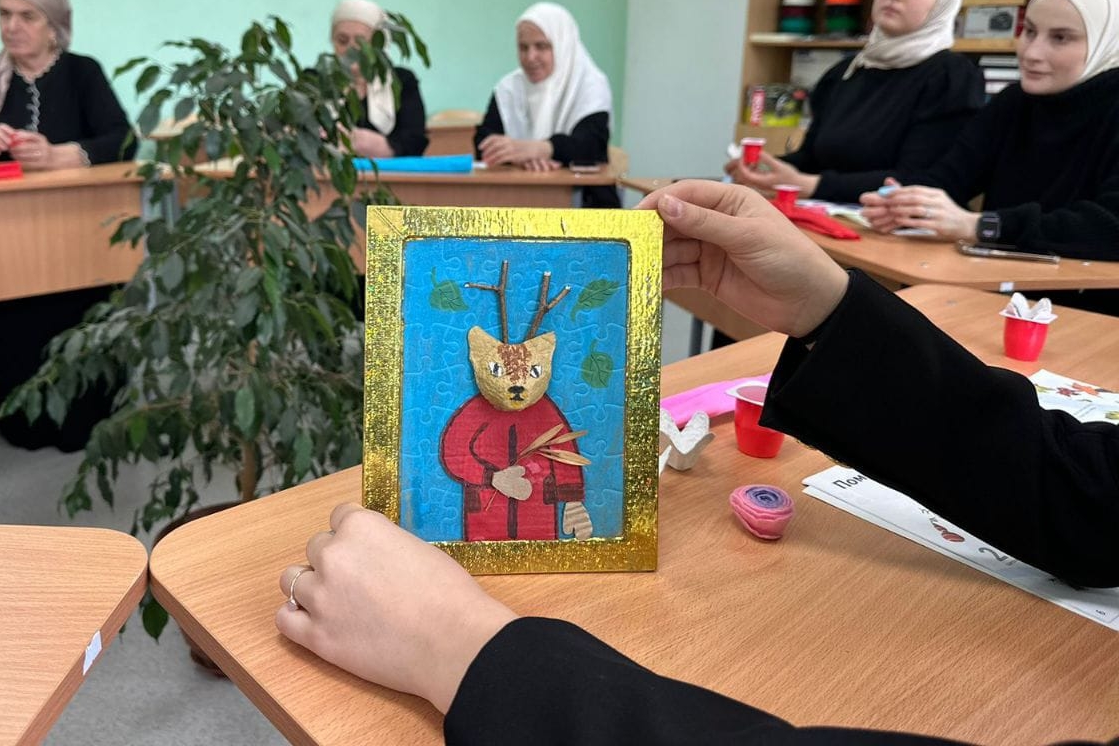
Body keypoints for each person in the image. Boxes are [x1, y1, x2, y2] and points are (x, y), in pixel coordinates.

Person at [274, 180, 1118, 745]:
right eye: (505, 370)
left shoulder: (552, 409)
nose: (519, 383)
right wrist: (829, 311)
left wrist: (471, 652)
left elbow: (570, 456)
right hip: (482, 521)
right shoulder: (470, 408)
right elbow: (1083, 492)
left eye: (531, 369)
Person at [0, 0, 135, 451]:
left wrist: (61, 155)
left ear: (53, 26)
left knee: (79, 322)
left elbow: (122, 140)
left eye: (27, 16)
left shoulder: (82, 72)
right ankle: (18, 419)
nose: (12, 26)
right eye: (4, 14)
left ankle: (87, 417)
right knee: (7, 331)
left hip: (75, 238)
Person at [860, 0, 1119, 287]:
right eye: (1029, 31)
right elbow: (951, 176)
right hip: (998, 285)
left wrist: (981, 225)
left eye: (1060, 38)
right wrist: (906, 204)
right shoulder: (1015, 101)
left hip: (1085, 301)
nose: (1031, 52)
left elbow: (1110, 226)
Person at [728, 0, 982, 203]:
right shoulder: (844, 72)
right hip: (827, 214)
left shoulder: (951, 77)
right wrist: (763, 171)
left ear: (944, 3)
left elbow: (919, 179)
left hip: (894, 224)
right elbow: (812, 158)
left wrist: (810, 185)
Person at [475, 1, 619, 208]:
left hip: (586, 206)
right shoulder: (508, 88)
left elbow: (591, 146)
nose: (530, 57)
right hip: (517, 201)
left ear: (563, 44)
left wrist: (541, 149)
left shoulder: (590, 85)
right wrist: (516, 157)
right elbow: (483, 142)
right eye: (523, 47)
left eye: (541, 46)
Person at [329, 0, 427, 158]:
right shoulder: (314, 82)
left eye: (361, 41)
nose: (351, 49)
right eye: (342, 41)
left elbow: (415, 142)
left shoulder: (401, 81)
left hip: (389, 173)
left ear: (378, 44)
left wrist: (381, 146)